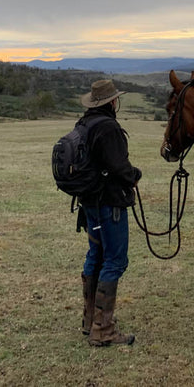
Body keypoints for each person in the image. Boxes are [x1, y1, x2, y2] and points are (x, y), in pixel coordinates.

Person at [78, 79, 142, 346]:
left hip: (89, 203)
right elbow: (120, 168)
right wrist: (135, 175)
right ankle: (103, 330)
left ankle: (90, 320)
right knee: (115, 260)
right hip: (110, 204)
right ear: (112, 102)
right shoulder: (108, 128)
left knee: (96, 255)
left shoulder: (83, 124)